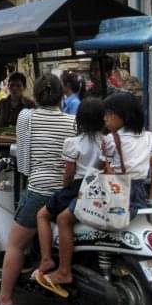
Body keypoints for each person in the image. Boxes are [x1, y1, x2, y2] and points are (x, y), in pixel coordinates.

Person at [36, 93, 152, 294]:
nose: (105, 119)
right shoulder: (150, 137)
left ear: (124, 116)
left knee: (63, 219)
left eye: (109, 114)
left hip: (116, 194)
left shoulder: (111, 140)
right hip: (138, 195)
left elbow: (103, 173)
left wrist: (86, 195)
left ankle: (63, 271)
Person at [0, 74, 77, 305]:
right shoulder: (73, 121)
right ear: (62, 95)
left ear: (34, 95)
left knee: (14, 244)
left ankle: (4, 299)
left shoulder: (27, 117)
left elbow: (23, 162)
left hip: (40, 190)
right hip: (68, 193)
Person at [33, 98, 113, 294]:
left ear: (80, 119)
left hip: (77, 189)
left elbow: (68, 173)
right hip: (100, 189)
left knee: (42, 215)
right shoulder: (107, 142)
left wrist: (63, 189)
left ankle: (46, 259)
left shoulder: (73, 143)